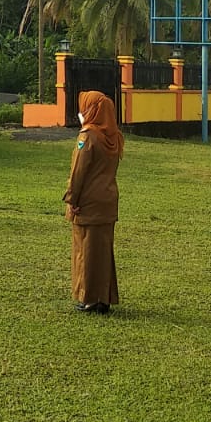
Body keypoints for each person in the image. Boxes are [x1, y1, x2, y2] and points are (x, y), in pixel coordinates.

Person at [64, 89, 122, 314]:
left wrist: (72, 199)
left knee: (86, 250)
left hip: (87, 201)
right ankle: (103, 297)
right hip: (107, 200)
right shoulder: (114, 137)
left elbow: (78, 172)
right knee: (103, 251)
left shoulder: (87, 136)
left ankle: (88, 298)